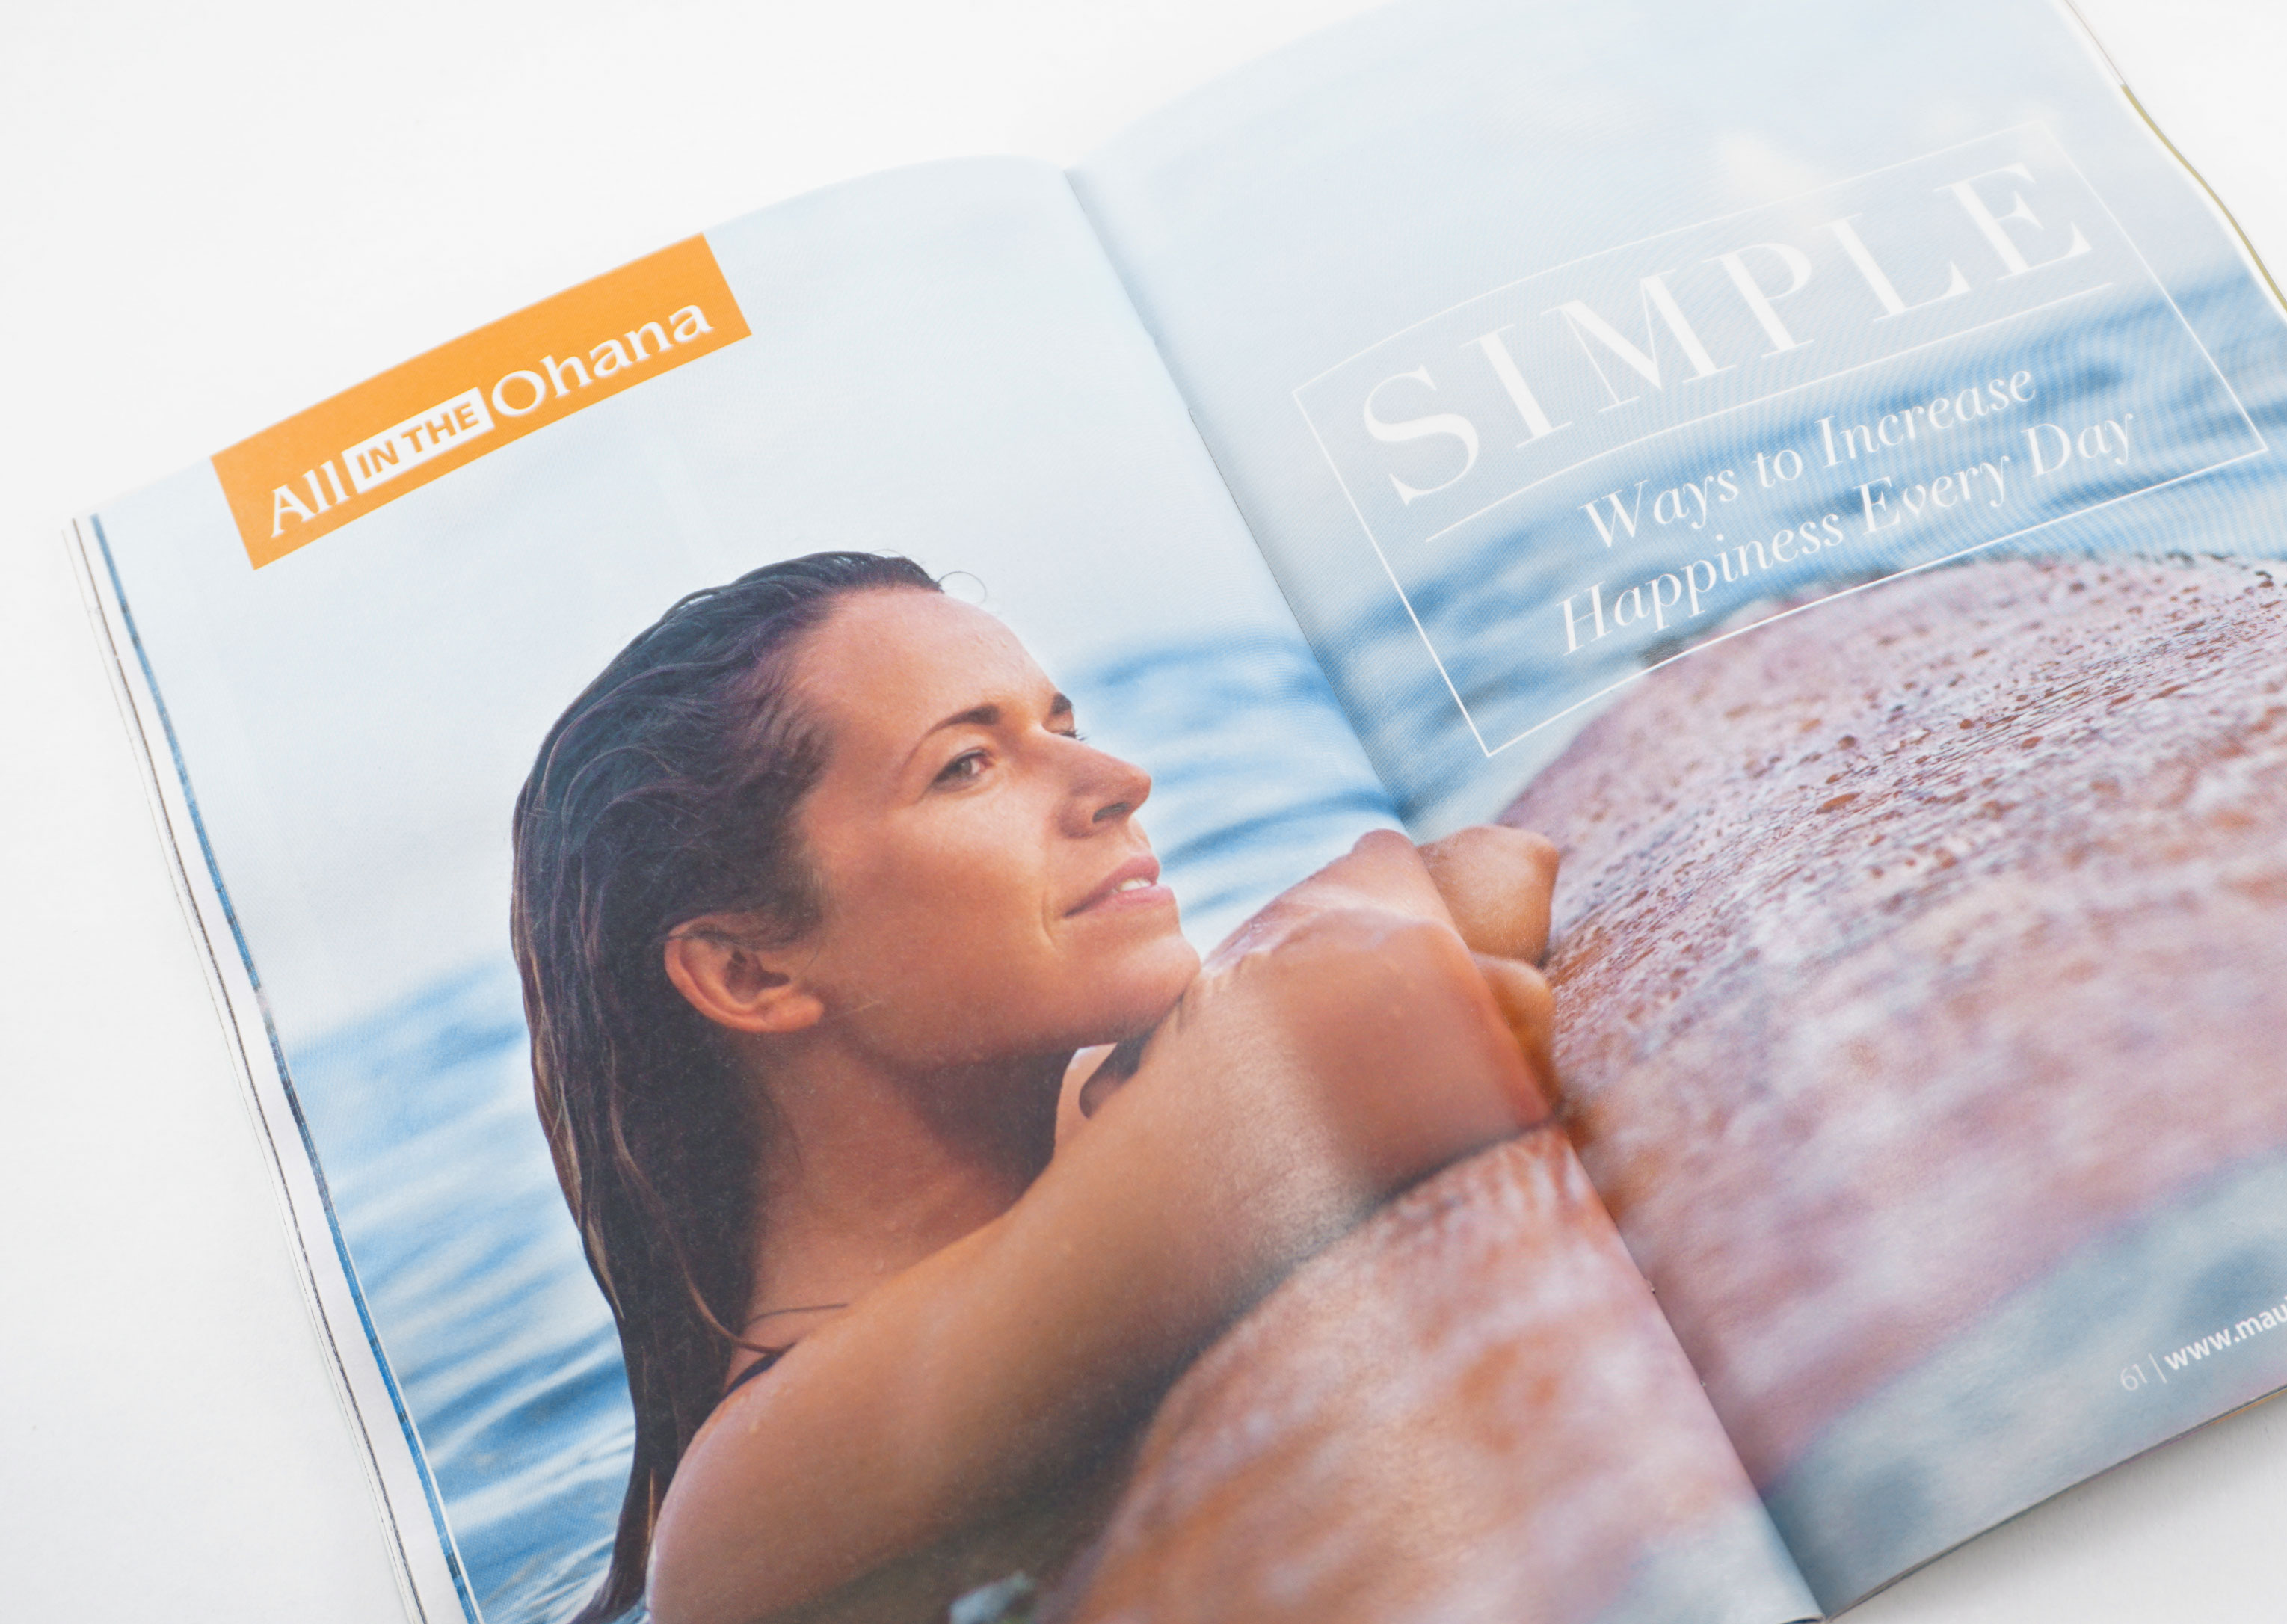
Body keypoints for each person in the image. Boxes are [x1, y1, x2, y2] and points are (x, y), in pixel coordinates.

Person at [511, 553, 1561, 1624]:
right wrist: (1200, 1079)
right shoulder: (756, 1484)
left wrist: (1181, 1094)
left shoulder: (1069, 1144)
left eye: (1061, 725)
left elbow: (1481, 872)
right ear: (751, 972)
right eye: (966, 766)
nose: (1116, 779)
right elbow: (1415, 1023)